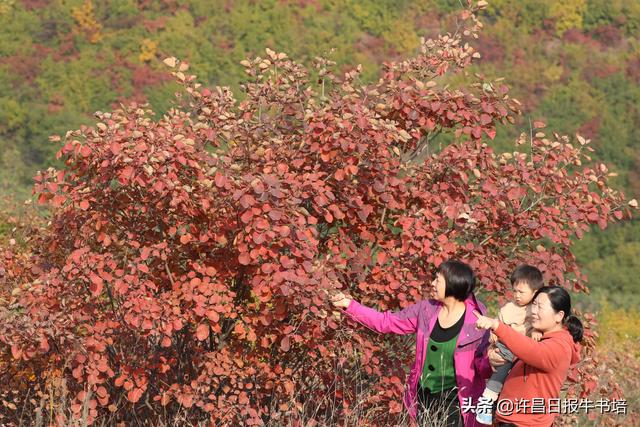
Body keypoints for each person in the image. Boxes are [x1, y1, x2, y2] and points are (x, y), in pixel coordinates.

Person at [331, 260, 492, 427]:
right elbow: (387, 322)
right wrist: (349, 305)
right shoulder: (426, 310)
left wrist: (496, 359)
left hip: (457, 404)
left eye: (438, 280)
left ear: (453, 284)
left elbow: (484, 368)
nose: (432, 284)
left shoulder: (477, 321)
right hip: (424, 399)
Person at [473, 285, 583, 427]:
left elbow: (532, 351)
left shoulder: (560, 346)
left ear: (559, 315)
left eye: (540, 307)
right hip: (510, 419)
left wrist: (497, 326)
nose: (533, 311)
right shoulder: (539, 337)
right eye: (534, 305)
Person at [475, 265, 544, 425]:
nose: (517, 295)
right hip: (507, 349)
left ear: (535, 292)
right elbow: (497, 326)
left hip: (525, 354)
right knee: (501, 370)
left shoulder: (536, 310)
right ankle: (486, 401)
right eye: (515, 291)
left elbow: (540, 326)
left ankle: (493, 405)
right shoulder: (508, 309)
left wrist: (537, 331)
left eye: (521, 292)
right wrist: (493, 337)